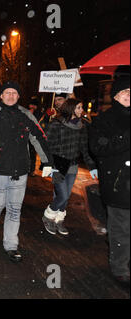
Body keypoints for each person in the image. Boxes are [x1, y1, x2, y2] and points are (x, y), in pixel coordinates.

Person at [0, 81, 54, 263]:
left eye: (14, 93)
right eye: (7, 93)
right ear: (1, 96)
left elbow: (39, 137)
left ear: (18, 96)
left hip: (20, 171)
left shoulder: (26, 115)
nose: (11, 96)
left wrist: (47, 162)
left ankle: (11, 245)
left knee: (14, 210)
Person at [89, 76, 130, 287]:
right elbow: (98, 148)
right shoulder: (104, 119)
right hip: (117, 182)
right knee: (121, 227)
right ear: (115, 96)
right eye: (125, 92)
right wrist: (125, 138)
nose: (129, 96)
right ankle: (120, 267)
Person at [42, 98, 97, 236]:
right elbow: (45, 146)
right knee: (62, 196)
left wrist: (92, 166)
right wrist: (48, 164)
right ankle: (48, 217)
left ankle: (58, 220)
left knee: (65, 198)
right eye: (79, 107)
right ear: (71, 108)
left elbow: (84, 149)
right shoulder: (56, 124)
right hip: (58, 164)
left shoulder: (82, 126)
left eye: (81, 107)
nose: (81, 110)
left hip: (72, 166)